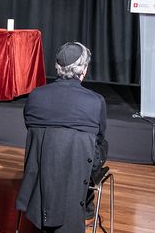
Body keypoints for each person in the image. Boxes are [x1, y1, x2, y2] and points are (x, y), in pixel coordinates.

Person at [23, 41, 109, 193]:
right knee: (101, 144)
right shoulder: (95, 102)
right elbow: (98, 138)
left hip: (42, 163)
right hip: (79, 171)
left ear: (57, 67)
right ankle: (87, 205)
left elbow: (30, 127)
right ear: (84, 69)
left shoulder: (35, 96)